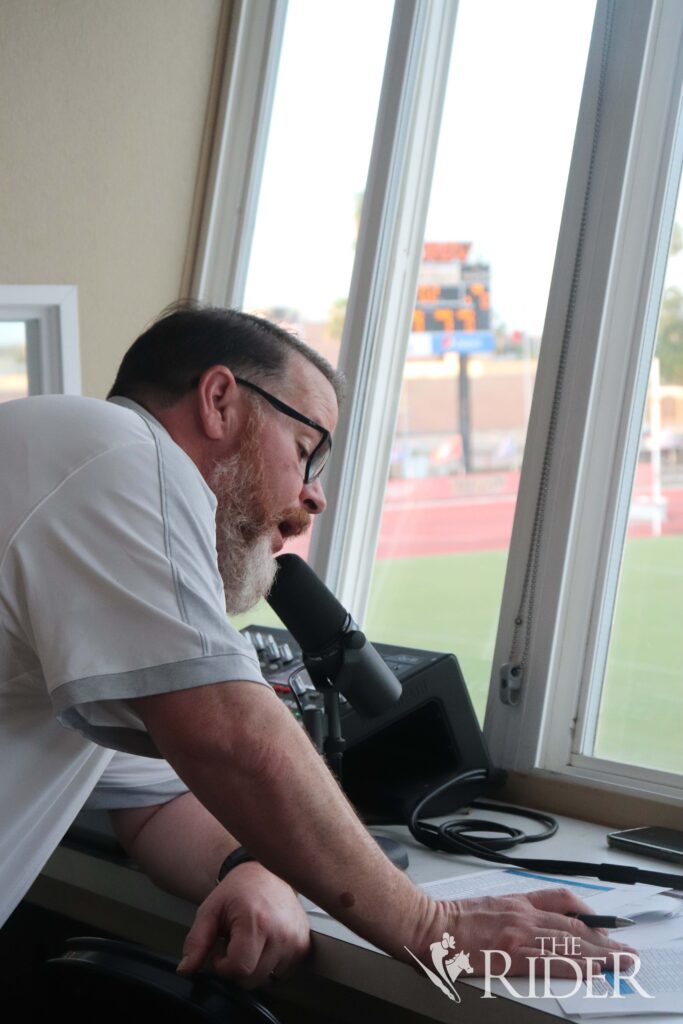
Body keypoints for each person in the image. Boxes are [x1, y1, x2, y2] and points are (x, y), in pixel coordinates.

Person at [0, 302, 633, 991]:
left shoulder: (80, 485)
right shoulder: (122, 455)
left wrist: (248, 865)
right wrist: (432, 926)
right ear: (218, 401)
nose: (313, 497)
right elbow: (230, 739)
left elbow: (152, 802)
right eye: (305, 450)